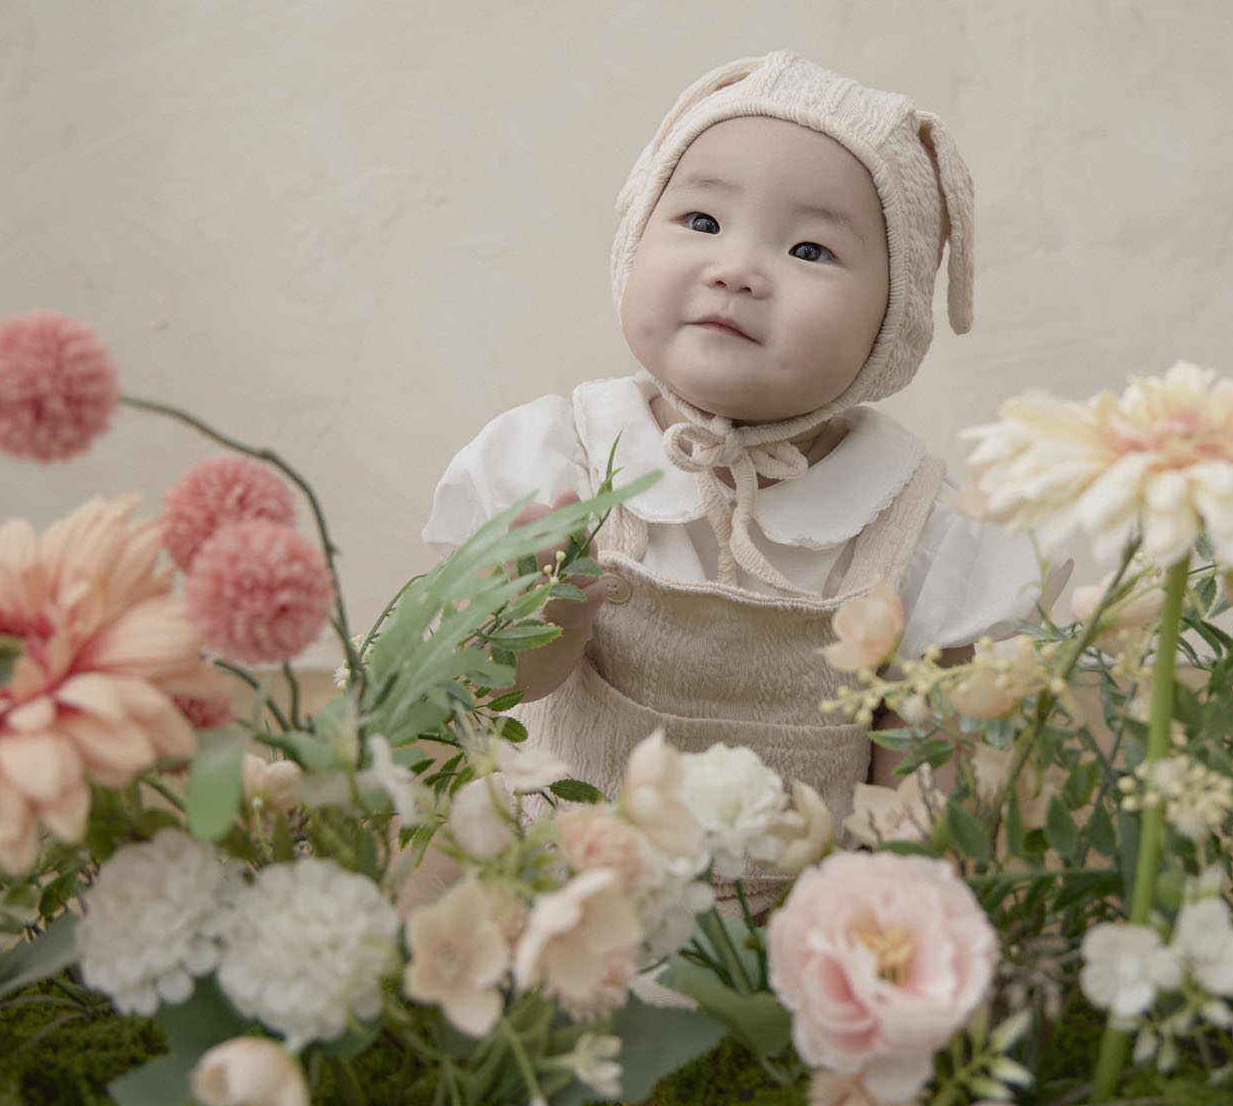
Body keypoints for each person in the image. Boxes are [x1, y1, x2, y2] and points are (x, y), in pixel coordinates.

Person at [422, 50, 1042, 834]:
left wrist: (903, 877)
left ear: (894, 317)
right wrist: (536, 629)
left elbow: (922, 792)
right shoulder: (558, 460)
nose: (737, 270)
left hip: (796, 905)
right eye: (702, 222)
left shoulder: (917, 523)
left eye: (809, 250)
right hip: (563, 887)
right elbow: (471, 697)